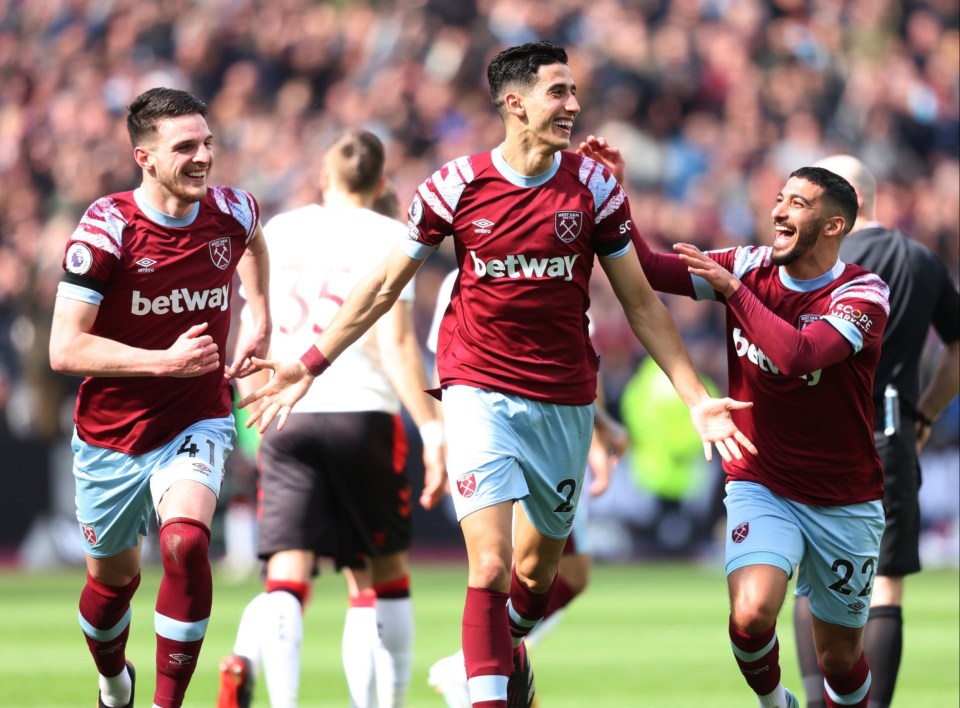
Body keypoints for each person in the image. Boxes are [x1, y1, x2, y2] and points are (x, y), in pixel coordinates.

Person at [239, 41, 755, 708]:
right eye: (558, 93)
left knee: (537, 575)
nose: (572, 105)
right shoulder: (453, 186)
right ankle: (486, 694)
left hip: (563, 400)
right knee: (488, 565)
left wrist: (696, 397)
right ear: (514, 103)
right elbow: (379, 286)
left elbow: (639, 301)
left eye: (573, 92)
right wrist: (310, 362)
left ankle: (489, 655)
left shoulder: (593, 189)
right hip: (476, 390)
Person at [581, 136, 892, 708]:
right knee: (750, 617)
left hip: (845, 498)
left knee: (839, 659)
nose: (778, 210)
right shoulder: (748, 265)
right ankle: (778, 704)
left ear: (833, 226)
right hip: (761, 481)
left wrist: (734, 293)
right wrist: (612, 193)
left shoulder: (862, 294)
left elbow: (799, 354)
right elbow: (647, 269)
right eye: (779, 198)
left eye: (797, 203)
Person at [48, 87, 271, 708]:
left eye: (207, 143)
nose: (204, 158)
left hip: (195, 419)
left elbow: (255, 240)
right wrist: (163, 363)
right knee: (110, 589)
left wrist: (260, 314)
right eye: (185, 147)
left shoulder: (231, 209)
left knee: (186, 542)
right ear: (144, 157)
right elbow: (64, 350)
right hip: (109, 435)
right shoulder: (107, 229)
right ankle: (115, 683)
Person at [216, 130, 445, 708]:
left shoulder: (282, 230)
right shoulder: (394, 235)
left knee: (286, 577)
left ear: (324, 175)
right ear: (381, 182)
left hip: (286, 411)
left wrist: (253, 408)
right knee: (377, 576)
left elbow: (255, 329)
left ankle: (283, 702)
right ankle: (383, 704)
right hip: (363, 411)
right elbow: (395, 344)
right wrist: (431, 424)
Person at [789, 155, 960, 708]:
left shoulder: (814, 257)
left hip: (813, 439)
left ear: (844, 201)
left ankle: (818, 700)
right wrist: (925, 416)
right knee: (884, 583)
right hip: (889, 436)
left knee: (810, 577)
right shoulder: (920, 260)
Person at [424, 270, 629, 708]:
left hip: (553, 433)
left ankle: (481, 662)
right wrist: (443, 443)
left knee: (558, 575)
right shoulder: (470, 274)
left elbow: (575, 362)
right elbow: (445, 370)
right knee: (498, 567)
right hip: (499, 431)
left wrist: (599, 430)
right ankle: (480, 672)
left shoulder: (561, 254)